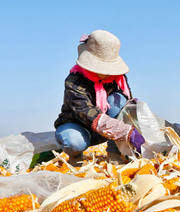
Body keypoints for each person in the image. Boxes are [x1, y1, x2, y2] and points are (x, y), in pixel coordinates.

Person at [54, 30, 145, 163]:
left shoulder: (117, 79)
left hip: (107, 131)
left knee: (119, 100)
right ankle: (75, 156)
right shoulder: (74, 81)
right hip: (79, 126)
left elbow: (125, 105)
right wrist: (127, 132)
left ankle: (114, 152)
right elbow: (87, 113)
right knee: (73, 141)